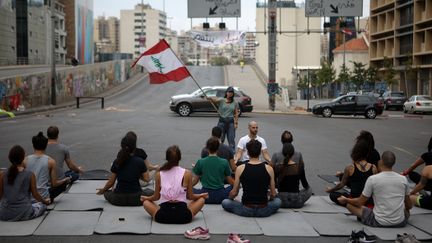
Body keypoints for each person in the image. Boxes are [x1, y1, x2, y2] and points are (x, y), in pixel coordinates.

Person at [338, 151, 412, 227]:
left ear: (381, 162)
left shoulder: (373, 179)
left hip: (378, 221)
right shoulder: (403, 179)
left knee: (349, 205)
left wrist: (346, 200)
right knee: (406, 210)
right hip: (400, 222)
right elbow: (409, 206)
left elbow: (359, 202)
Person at [141, 145, 208, 224]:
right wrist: (201, 195)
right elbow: (190, 197)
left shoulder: (159, 174)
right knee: (202, 200)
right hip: (184, 216)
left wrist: (147, 198)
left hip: (163, 216)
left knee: (145, 203)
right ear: (180, 158)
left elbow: (156, 197)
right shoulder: (187, 173)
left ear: (166, 158)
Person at [222, 140, 281, 217]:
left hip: (246, 208)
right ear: (260, 152)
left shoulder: (240, 168)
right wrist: (269, 198)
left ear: (248, 153)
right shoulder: (269, 169)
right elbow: (273, 194)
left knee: (225, 202)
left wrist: (230, 198)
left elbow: (234, 193)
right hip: (263, 209)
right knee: (278, 201)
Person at [97, 133, 152, 206]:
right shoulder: (140, 161)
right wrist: (137, 174)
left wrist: (103, 190)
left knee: (107, 193)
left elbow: (111, 183)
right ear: (134, 147)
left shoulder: (117, 161)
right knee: (151, 192)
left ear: (122, 146)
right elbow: (147, 179)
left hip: (118, 199)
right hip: (136, 199)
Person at [0, 145, 50, 221]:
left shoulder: (2, 174)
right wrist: (45, 201)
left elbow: (0, 195)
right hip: (25, 212)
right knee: (42, 206)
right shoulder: (29, 174)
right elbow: (35, 195)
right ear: (23, 158)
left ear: (9, 158)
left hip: (4, 214)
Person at [327, 140, 378, 206]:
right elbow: (376, 187)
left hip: (353, 201)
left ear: (355, 153)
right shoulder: (373, 167)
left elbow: (341, 185)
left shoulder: (350, 168)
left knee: (333, 195)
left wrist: (331, 190)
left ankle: (351, 204)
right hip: (368, 201)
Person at [25, 132, 70, 202]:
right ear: (46, 145)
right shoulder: (51, 161)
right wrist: (65, 180)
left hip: (28, 196)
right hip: (44, 196)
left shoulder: (25, 160)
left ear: (33, 145)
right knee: (63, 183)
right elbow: (54, 183)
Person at [45, 126, 84, 199]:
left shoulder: (42, 148)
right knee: (75, 174)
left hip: (44, 180)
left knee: (68, 172)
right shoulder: (63, 148)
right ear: (57, 135)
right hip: (58, 181)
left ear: (47, 135)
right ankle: (69, 178)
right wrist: (79, 170)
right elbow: (71, 166)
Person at [193, 137, 234, 204]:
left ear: (207, 148)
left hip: (205, 195)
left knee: (188, 189)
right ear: (218, 148)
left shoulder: (200, 162)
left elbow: (194, 181)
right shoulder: (224, 162)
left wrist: (187, 187)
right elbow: (230, 181)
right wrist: (237, 185)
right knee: (234, 187)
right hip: (220, 195)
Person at [275, 143, 312, 208]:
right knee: (310, 190)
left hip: (281, 201)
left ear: (283, 154)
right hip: (296, 201)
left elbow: (274, 184)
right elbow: (305, 184)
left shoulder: (278, 167)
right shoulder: (299, 167)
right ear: (293, 154)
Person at [207, 86, 239, 153]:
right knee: (220, 139)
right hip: (222, 122)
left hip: (230, 123)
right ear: (226, 93)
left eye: (231, 92)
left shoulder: (235, 103)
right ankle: (217, 153)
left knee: (231, 140)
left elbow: (236, 113)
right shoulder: (222, 100)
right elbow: (215, 100)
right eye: (229, 92)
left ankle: (232, 155)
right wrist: (210, 98)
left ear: (233, 94)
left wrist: (236, 123)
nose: (230, 94)